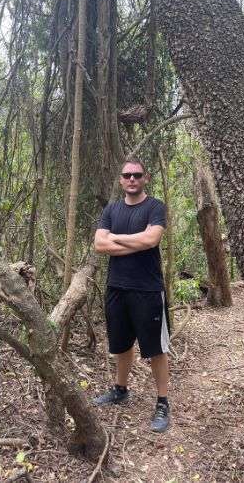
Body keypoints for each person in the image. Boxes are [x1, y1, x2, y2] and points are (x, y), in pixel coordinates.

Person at [91, 157, 171, 433]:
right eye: (127, 175)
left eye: (137, 175)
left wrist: (117, 239)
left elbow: (152, 240)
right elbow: (99, 245)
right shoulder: (112, 210)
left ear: (145, 178)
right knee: (121, 345)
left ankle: (162, 402)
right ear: (121, 179)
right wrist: (136, 241)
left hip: (148, 290)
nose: (132, 179)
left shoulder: (155, 207)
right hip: (116, 287)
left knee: (155, 349)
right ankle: (120, 389)